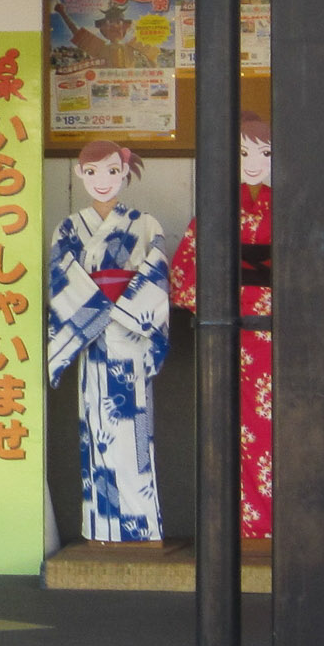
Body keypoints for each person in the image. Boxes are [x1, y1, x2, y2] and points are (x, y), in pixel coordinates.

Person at [46, 141, 172, 544]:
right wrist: (102, 312)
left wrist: (122, 312)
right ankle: (102, 529)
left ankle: (140, 528)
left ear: (124, 174)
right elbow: (59, 277)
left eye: (112, 171)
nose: (103, 181)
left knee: (136, 431)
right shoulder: (67, 228)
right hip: (94, 339)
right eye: (93, 172)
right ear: (81, 175)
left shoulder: (145, 224)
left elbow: (156, 273)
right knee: (97, 429)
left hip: (131, 337)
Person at [169, 111, 275, 546]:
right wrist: (223, 302)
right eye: (243, 152)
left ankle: (277, 521)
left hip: (277, 335)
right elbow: (183, 275)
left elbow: (314, 268)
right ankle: (237, 523)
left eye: (264, 153)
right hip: (228, 334)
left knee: (279, 429)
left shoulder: (289, 207)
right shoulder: (215, 210)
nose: (253, 162)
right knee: (228, 426)